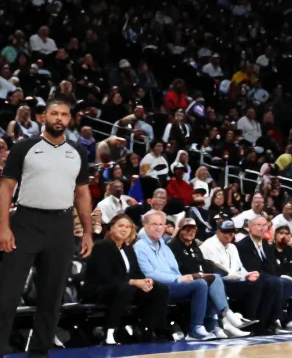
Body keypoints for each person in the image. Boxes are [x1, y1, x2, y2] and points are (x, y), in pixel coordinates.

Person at [0, 96, 95, 356]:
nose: (59, 118)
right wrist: (4, 227)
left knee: (52, 296)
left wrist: (87, 232)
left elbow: (82, 194)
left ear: (70, 119)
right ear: (43, 117)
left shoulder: (78, 152)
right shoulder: (24, 147)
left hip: (62, 226)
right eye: (54, 113)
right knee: (7, 294)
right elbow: (5, 188)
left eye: (64, 114)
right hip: (25, 223)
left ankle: (40, 352)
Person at [84, 214, 172, 344]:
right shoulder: (101, 247)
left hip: (124, 288)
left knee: (160, 289)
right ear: (111, 228)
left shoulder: (128, 249)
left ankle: (151, 329)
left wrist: (146, 280)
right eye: (120, 226)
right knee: (126, 288)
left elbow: (136, 272)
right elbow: (105, 276)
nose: (124, 229)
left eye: (128, 227)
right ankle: (110, 331)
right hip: (99, 289)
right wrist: (133, 282)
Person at [133, 210, 218, 340]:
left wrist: (184, 279)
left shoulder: (164, 246)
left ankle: (214, 325)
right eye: (154, 224)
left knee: (211, 281)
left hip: (174, 284)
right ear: (146, 226)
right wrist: (178, 279)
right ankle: (196, 329)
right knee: (200, 285)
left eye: (161, 224)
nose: (158, 228)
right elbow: (149, 273)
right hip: (157, 287)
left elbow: (175, 269)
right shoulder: (140, 247)